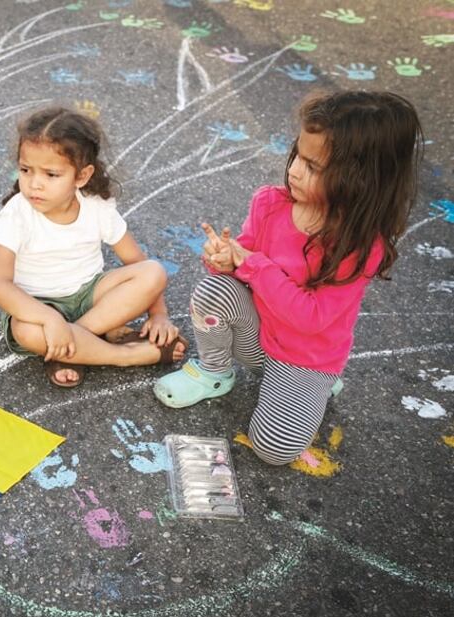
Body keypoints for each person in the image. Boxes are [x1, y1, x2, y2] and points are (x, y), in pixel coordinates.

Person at [154, 91, 423, 465]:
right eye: (298, 154)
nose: (295, 170)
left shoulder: (359, 246)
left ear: (361, 180)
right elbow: (239, 265)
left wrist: (252, 264)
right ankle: (214, 372)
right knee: (214, 289)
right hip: (259, 337)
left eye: (314, 167)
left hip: (305, 357)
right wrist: (224, 259)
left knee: (274, 449)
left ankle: (316, 387)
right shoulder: (271, 203)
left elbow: (310, 317)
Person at [0, 107, 187, 388]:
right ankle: (122, 355)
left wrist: (159, 315)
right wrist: (49, 319)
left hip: (90, 296)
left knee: (153, 271)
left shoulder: (96, 207)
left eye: (51, 174)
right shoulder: (16, 214)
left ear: (81, 176)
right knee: (25, 331)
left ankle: (71, 345)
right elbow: (0, 286)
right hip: (37, 305)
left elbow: (135, 261)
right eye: (25, 170)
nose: (34, 184)